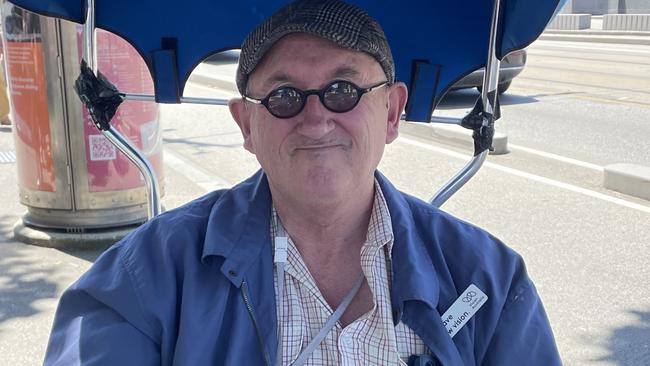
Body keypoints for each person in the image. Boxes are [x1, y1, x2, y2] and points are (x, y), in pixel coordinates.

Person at [44, 0, 561, 365]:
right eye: (284, 96)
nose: (316, 120)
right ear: (247, 125)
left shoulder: (490, 282)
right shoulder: (146, 279)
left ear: (392, 111)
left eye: (343, 89)